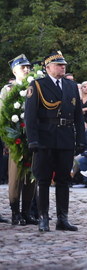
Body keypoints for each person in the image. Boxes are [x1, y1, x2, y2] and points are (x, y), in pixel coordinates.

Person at [25, 51, 85, 232]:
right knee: (43, 180)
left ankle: (62, 218)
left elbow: (78, 115)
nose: (62, 67)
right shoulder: (37, 85)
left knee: (63, 179)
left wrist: (80, 139)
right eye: (59, 64)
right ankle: (43, 217)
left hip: (65, 138)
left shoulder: (71, 86)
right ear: (48, 67)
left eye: (63, 64)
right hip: (44, 138)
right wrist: (33, 139)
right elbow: (30, 116)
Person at [1, 54, 36, 225]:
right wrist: (8, 141)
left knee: (31, 175)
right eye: (23, 67)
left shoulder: (34, 86)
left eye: (28, 67)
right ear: (14, 70)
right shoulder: (8, 90)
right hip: (16, 140)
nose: (27, 69)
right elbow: (3, 118)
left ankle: (27, 212)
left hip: (33, 138)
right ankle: (15, 211)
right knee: (15, 177)